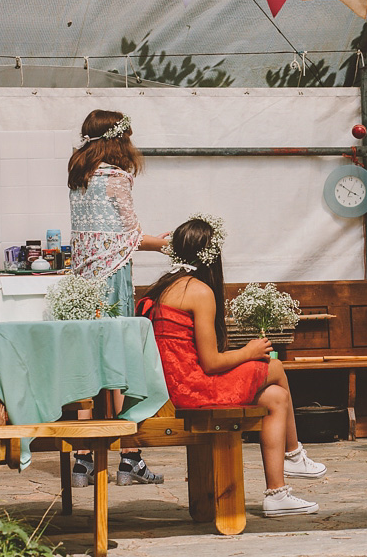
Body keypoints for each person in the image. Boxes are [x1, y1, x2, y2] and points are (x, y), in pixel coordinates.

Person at [137, 214, 326, 517]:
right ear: (211, 255)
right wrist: (250, 350)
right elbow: (211, 363)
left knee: (276, 398)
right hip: (192, 389)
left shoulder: (160, 289)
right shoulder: (198, 291)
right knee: (274, 368)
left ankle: (277, 494)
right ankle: (294, 454)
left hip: (172, 388)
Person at [67, 109, 170, 486]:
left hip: (81, 284)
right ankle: (129, 457)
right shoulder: (117, 177)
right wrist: (168, 244)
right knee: (121, 368)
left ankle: (83, 461)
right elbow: (129, 236)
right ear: (120, 139)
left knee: (87, 367)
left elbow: (97, 234)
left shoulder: (79, 176)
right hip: (111, 281)